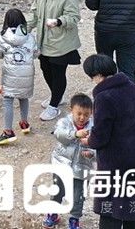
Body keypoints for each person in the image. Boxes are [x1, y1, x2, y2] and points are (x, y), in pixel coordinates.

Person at [79, 54, 135, 229]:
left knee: (110, 211)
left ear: (97, 75)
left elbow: (101, 136)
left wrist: (89, 140)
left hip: (118, 162)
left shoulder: (103, 97)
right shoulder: (132, 87)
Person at [28, 0, 81, 121]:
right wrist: (25, 28)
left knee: (58, 73)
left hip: (61, 41)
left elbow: (74, 17)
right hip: (44, 39)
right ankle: (58, 97)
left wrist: (59, 21)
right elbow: (35, 13)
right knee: (45, 69)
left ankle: (54, 106)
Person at [44, 93, 96, 229]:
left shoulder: (94, 127)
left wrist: (91, 154)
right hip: (61, 164)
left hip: (82, 168)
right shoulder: (64, 122)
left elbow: (99, 147)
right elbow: (59, 135)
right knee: (57, 190)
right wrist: (75, 134)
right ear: (71, 109)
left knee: (78, 195)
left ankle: (74, 219)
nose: (82, 117)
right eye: (78, 113)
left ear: (91, 113)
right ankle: (53, 213)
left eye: (86, 114)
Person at [0, 8, 36, 145]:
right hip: (26, 73)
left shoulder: (3, 36)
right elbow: (36, 53)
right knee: (23, 97)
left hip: (10, 74)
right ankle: (24, 123)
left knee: (8, 100)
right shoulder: (29, 36)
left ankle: (8, 131)